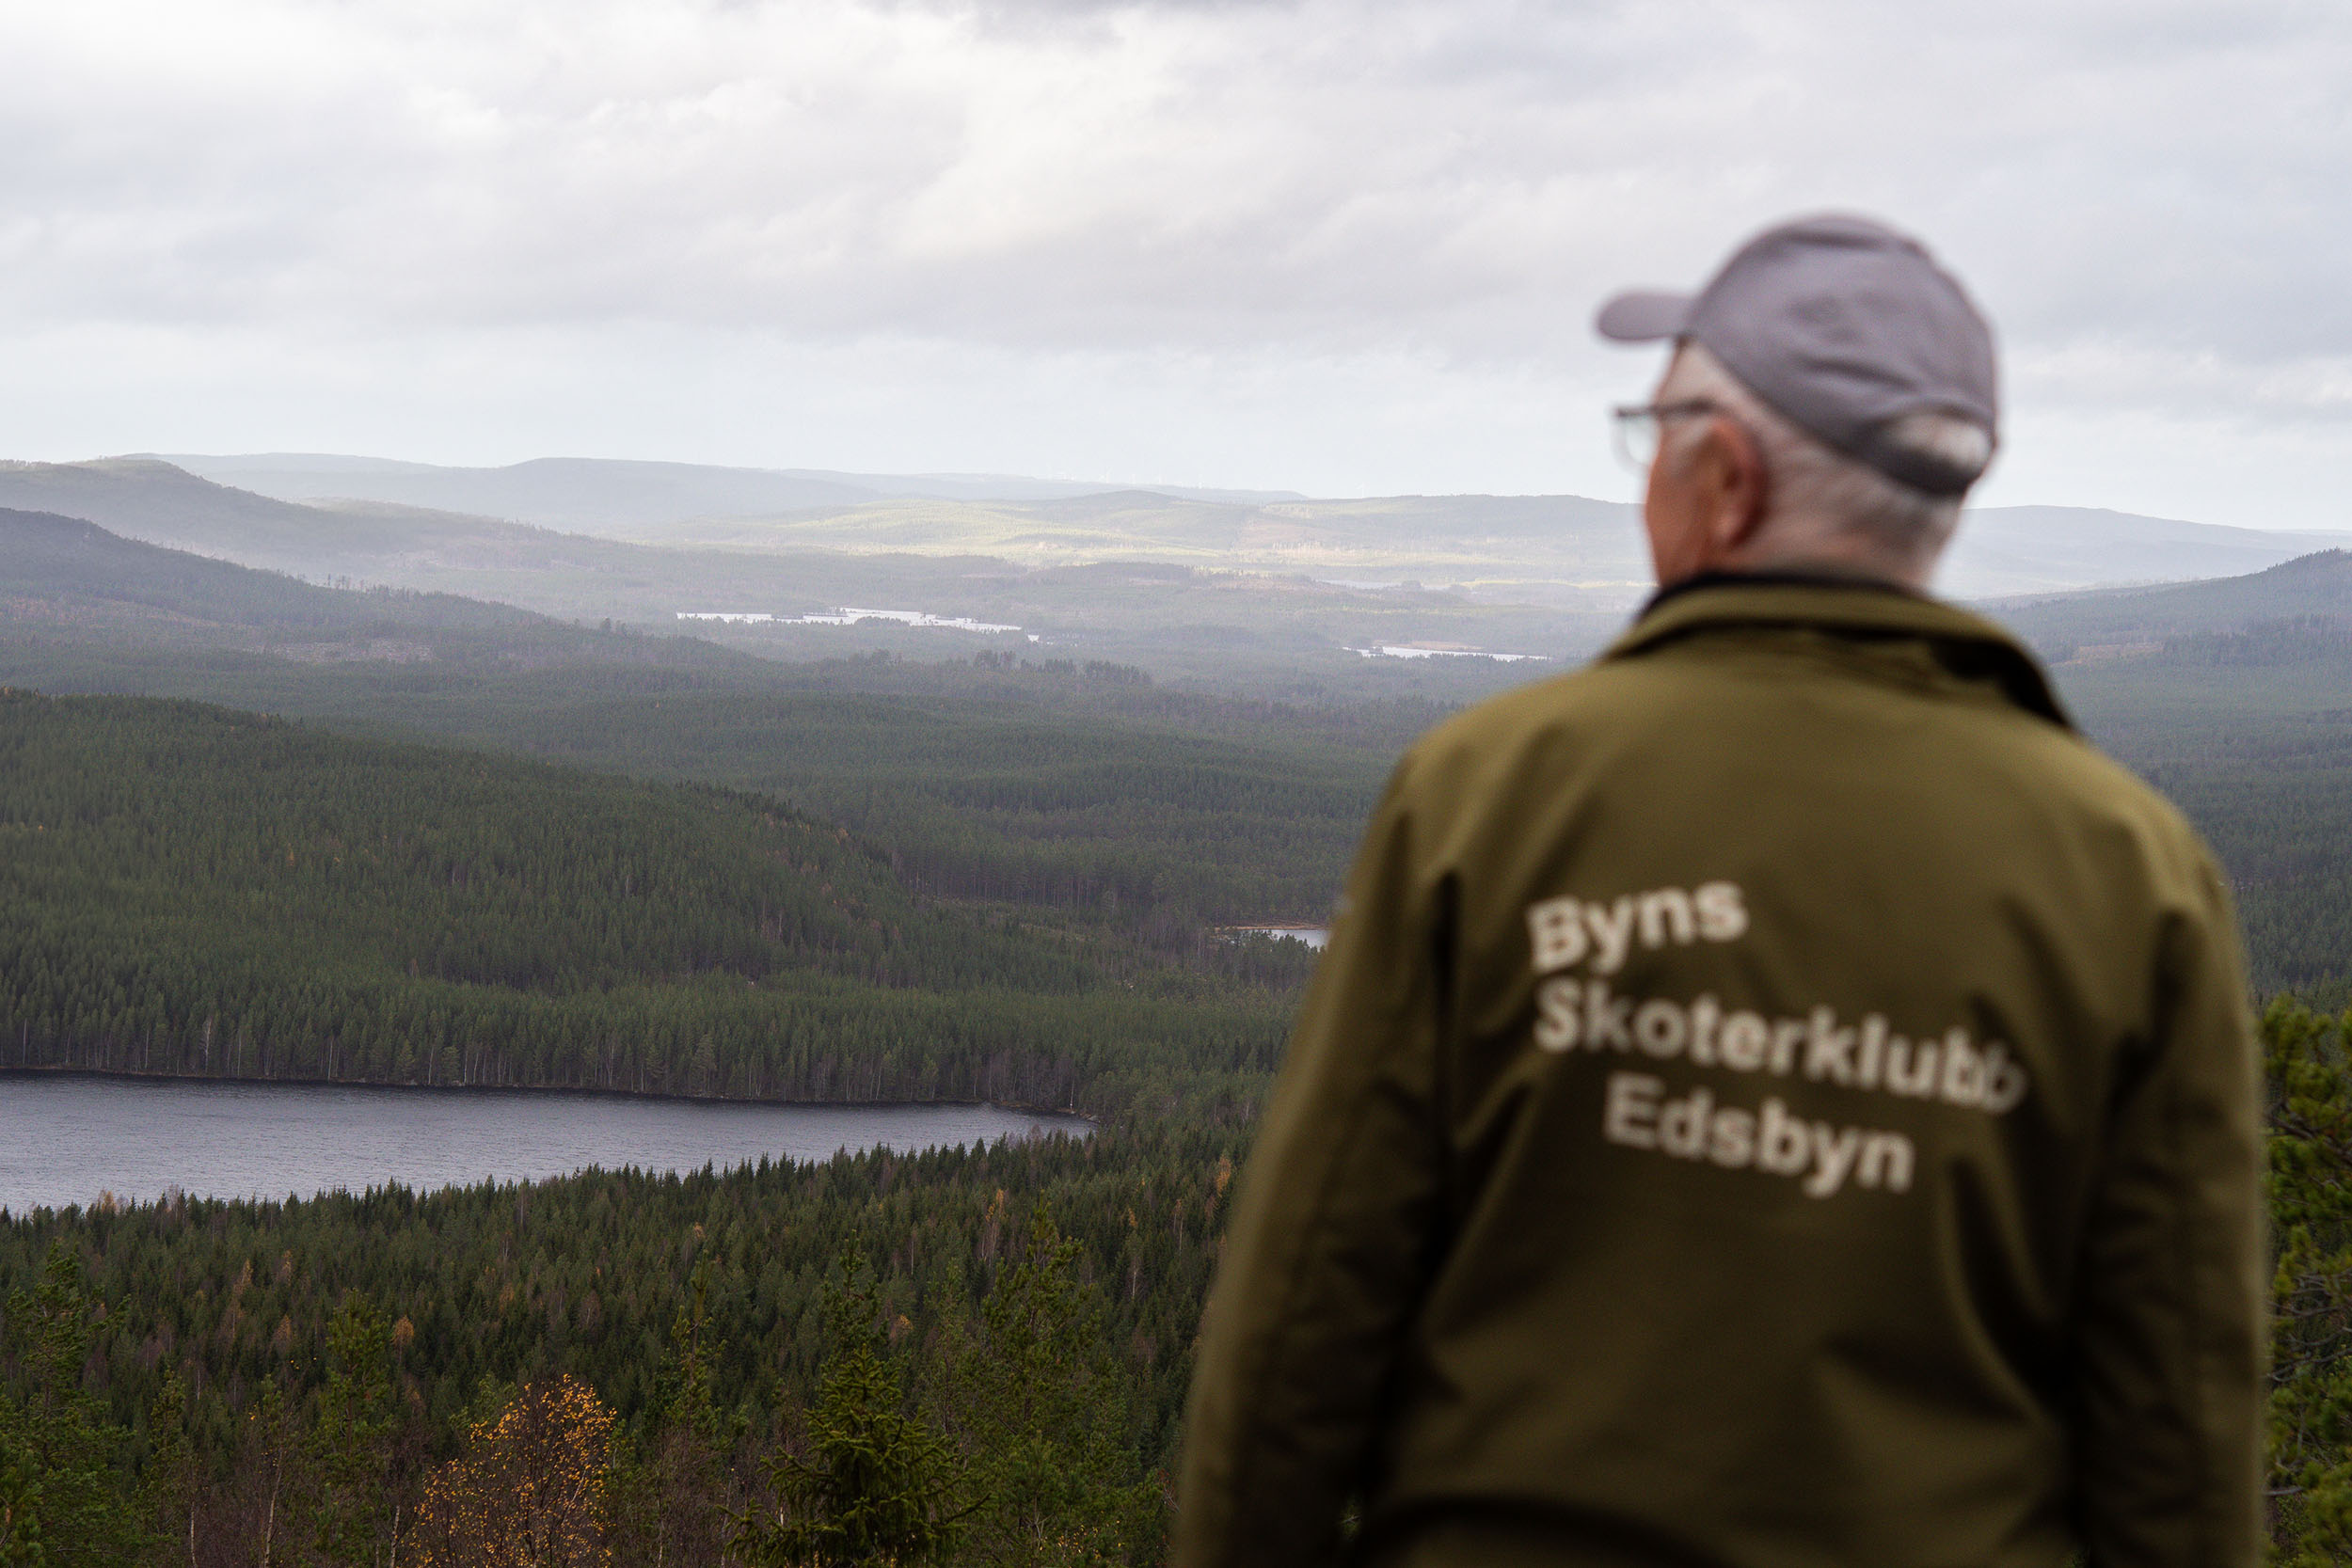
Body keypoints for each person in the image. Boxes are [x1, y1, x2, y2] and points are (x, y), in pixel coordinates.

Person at [1174, 214, 2264, 1568]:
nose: (1647, 484)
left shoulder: (1490, 794)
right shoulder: (2132, 874)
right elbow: (2181, 1436)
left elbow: (1297, 1333)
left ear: (1727, 480)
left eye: (1653, 438)